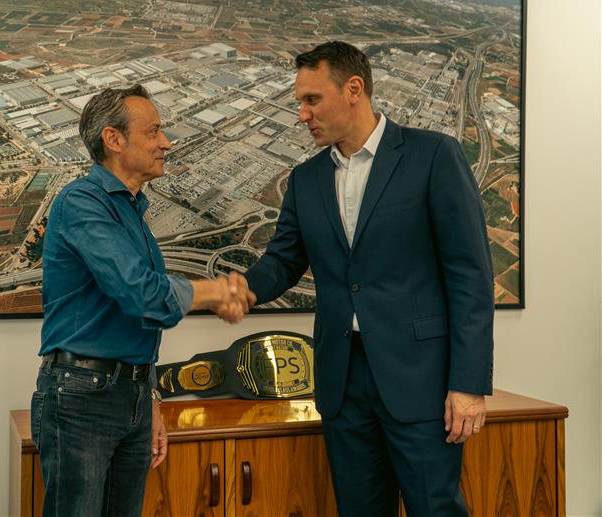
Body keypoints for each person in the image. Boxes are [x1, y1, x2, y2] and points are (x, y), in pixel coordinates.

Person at [242, 41, 494, 516]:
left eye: (311, 99)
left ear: (354, 89)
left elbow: (470, 276)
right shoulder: (305, 179)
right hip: (343, 383)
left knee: (435, 509)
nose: (302, 114)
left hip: (421, 380)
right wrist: (235, 290)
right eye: (300, 102)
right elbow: (281, 263)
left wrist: (468, 384)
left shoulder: (433, 156)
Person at [31, 85, 254, 517]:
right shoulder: (81, 202)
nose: (165, 142)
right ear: (114, 139)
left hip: (128, 395)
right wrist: (214, 291)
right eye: (153, 131)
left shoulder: (132, 210)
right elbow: (140, 293)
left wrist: (149, 397)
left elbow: (136, 320)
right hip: (82, 398)